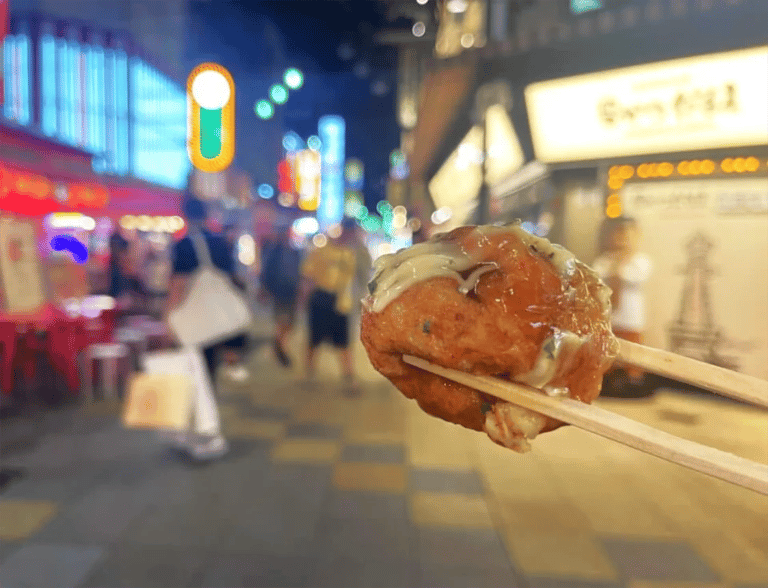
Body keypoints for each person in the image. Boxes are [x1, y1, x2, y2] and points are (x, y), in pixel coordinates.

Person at [164, 195, 247, 461]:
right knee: (207, 373)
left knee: (191, 372)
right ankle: (204, 430)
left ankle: (199, 433)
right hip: (215, 320)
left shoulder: (185, 245)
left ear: (185, 214)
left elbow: (177, 285)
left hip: (192, 321)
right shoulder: (220, 242)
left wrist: (169, 318)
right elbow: (232, 278)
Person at [300, 218, 371, 394]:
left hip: (342, 302)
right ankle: (309, 373)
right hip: (321, 298)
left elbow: (364, 273)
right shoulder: (322, 250)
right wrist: (303, 297)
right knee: (314, 339)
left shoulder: (354, 252)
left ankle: (348, 376)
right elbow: (308, 276)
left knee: (343, 341)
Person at [593, 216, 652, 386]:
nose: (622, 240)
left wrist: (620, 265)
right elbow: (598, 279)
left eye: (627, 235)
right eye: (618, 235)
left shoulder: (640, 261)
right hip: (609, 318)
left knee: (633, 353)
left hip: (630, 319)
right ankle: (607, 378)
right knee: (607, 351)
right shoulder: (604, 261)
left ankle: (633, 380)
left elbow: (635, 277)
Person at [260, 225, 301, 367]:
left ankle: (279, 345)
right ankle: (281, 349)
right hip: (280, 292)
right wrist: (265, 289)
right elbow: (266, 272)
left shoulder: (294, 251)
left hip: (291, 292)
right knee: (282, 321)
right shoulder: (274, 251)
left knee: (288, 324)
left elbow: (299, 272)